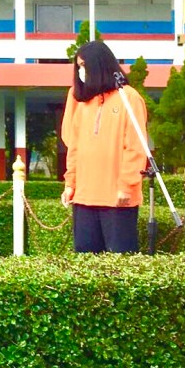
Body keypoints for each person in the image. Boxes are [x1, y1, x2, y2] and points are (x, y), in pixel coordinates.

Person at [60, 40, 148, 253]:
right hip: (84, 197)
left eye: (84, 66)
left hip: (118, 199)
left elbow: (135, 147)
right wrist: (70, 184)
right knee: (85, 259)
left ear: (99, 66)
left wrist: (126, 185)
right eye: (78, 67)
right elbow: (74, 148)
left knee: (121, 260)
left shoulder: (129, 98)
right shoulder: (83, 103)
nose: (81, 72)